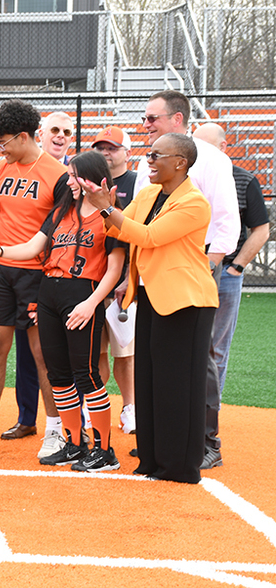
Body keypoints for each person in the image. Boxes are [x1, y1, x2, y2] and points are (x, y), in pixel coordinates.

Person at [83, 133, 219, 484]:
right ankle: (152, 459)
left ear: (180, 163)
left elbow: (149, 237)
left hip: (187, 301)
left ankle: (179, 466)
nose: (150, 160)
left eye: (157, 155)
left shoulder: (194, 203)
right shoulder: (147, 194)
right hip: (151, 296)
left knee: (178, 384)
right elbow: (116, 229)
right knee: (150, 379)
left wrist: (106, 208)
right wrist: (105, 209)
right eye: (149, 153)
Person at [0, 151, 126, 471]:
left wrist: (92, 304)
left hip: (83, 293)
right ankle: (74, 443)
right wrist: (0, 250)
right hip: (49, 291)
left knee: (87, 374)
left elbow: (114, 270)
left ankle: (104, 451)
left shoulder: (112, 215)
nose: (70, 181)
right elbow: (34, 248)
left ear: (94, 178)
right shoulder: (62, 210)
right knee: (58, 374)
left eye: (76, 175)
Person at [133, 90, 238, 470]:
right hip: (153, 284)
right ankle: (158, 450)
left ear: (176, 119)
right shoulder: (151, 181)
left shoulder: (211, 163)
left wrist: (213, 263)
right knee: (156, 372)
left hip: (193, 279)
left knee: (196, 369)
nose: (145, 126)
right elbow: (131, 225)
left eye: (152, 118)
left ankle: (204, 443)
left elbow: (225, 219)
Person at [0, 99, 69, 459]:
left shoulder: (58, 176)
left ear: (24, 136)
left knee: (43, 355)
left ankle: (56, 431)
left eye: (4, 142)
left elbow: (58, 237)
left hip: (39, 274)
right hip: (1, 272)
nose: (0, 149)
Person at [195, 122, 269, 459]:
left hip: (224, 271)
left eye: (208, 146)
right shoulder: (188, 177)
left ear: (224, 147)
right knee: (194, 346)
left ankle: (210, 422)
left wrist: (236, 266)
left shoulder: (243, 178)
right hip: (190, 269)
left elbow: (262, 229)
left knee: (216, 348)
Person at [5, 110, 77, 441]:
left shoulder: (72, 174)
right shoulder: (20, 166)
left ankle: (70, 422)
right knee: (28, 352)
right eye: (54, 130)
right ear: (41, 134)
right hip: (27, 272)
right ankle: (27, 417)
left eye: (66, 131)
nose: (60, 136)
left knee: (66, 354)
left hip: (66, 277)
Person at [92, 126, 137, 435]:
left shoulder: (137, 183)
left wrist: (131, 276)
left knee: (126, 353)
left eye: (113, 148)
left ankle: (130, 408)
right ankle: (96, 405)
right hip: (94, 277)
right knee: (97, 353)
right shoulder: (90, 181)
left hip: (123, 281)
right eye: (102, 148)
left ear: (127, 153)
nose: (107, 153)